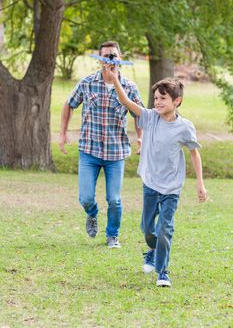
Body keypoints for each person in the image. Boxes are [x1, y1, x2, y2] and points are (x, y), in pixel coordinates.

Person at [105, 69, 207, 286]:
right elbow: (126, 101)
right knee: (148, 228)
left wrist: (200, 183)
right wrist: (114, 80)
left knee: (165, 228)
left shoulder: (185, 127)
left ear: (177, 101)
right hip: (150, 183)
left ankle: (163, 271)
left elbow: (194, 152)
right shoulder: (150, 118)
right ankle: (151, 251)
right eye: (156, 98)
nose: (157, 102)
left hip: (171, 187)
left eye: (163, 98)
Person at [59, 40, 143, 249]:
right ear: (100, 60)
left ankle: (112, 235)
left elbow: (139, 114)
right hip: (90, 150)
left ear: (120, 58)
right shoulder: (88, 83)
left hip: (116, 152)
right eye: (106, 56)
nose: (110, 60)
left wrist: (141, 137)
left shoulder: (130, 88)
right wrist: (62, 133)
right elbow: (69, 105)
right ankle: (92, 214)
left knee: (114, 199)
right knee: (86, 197)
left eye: (114, 55)